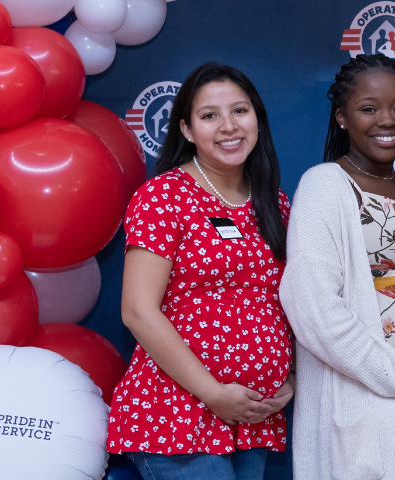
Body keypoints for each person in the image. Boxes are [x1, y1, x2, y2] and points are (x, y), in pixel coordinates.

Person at [107, 62, 294, 480]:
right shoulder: (164, 196)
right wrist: (213, 394)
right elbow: (137, 310)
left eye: (240, 111)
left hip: (254, 417)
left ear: (258, 121)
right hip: (178, 414)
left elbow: (289, 300)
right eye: (210, 116)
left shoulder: (275, 203)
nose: (228, 126)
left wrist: (292, 373)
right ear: (188, 130)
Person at [282, 54, 395, 480]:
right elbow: (313, 309)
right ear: (342, 118)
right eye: (368, 109)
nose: (388, 120)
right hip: (373, 395)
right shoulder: (325, 184)